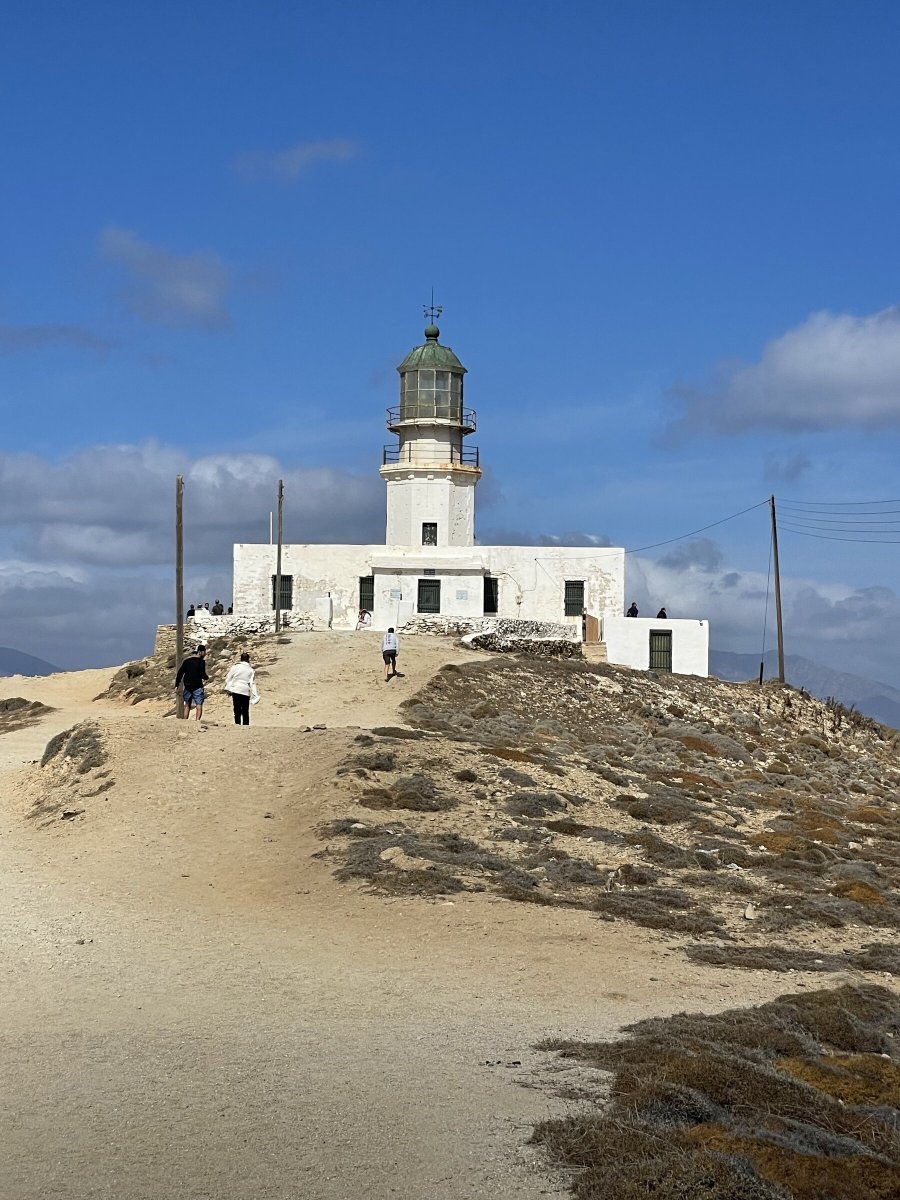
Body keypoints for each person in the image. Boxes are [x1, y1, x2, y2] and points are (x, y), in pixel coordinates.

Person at [223, 651, 260, 725]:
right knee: (245, 709)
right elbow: (252, 683)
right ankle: (246, 724)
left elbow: (228, 678)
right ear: (248, 659)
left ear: (241, 659)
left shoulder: (235, 667)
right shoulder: (250, 670)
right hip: (245, 690)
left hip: (236, 689)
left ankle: (237, 723)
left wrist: (227, 688)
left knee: (237, 708)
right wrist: (255, 695)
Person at [175, 645, 209, 720]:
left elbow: (180, 673)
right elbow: (202, 673)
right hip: (197, 686)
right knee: (199, 704)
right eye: (204, 651)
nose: (205, 653)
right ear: (200, 652)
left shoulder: (186, 661)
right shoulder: (201, 662)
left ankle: (184, 720)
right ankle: (197, 721)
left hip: (187, 686)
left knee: (187, 705)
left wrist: (177, 684)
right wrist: (206, 677)